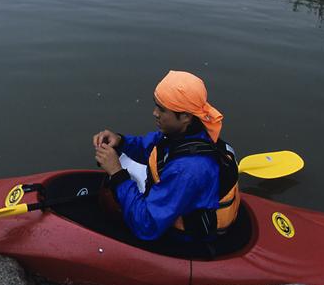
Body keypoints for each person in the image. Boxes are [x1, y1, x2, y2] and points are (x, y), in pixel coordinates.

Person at [92, 71, 240, 251]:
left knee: (114, 198)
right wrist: (122, 141)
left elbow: (146, 226)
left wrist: (117, 174)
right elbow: (150, 148)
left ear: (185, 116)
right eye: (157, 106)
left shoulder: (188, 170)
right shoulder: (185, 132)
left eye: (162, 109)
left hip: (183, 238)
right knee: (124, 161)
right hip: (178, 197)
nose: (155, 113)